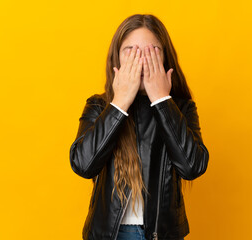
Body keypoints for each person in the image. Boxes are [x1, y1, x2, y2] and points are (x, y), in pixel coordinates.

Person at [69, 14, 209, 240]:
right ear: (117, 60)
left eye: (152, 50)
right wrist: (120, 102)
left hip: (162, 234)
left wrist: (162, 100)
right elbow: (83, 165)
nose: (142, 60)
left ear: (165, 59)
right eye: (131, 51)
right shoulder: (98, 106)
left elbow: (192, 167)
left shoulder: (181, 108)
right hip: (109, 234)